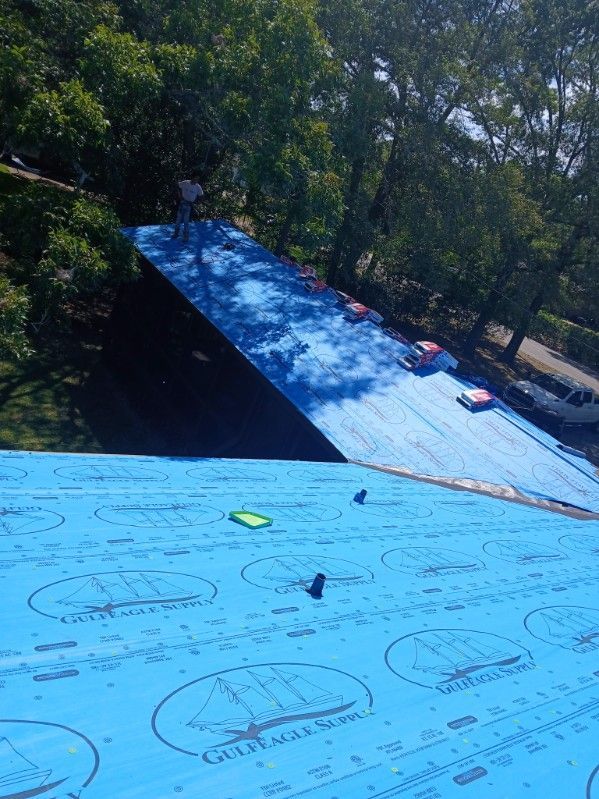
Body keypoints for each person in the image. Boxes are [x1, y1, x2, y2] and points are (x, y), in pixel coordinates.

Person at [172, 174, 204, 242]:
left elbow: (201, 196)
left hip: (189, 206)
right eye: (195, 179)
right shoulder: (185, 182)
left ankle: (186, 236)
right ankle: (176, 233)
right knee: (178, 219)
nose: (196, 181)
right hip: (182, 203)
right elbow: (177, 185)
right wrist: (179, 195)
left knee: (186, 221)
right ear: (192, 178)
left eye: (197, 179)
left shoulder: (198, 187)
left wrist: (197, 203)